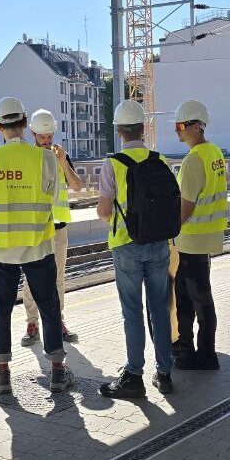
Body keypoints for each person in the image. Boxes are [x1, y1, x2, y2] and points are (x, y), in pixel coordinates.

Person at [0, 97, 74, 394]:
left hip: (2, 248)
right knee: (49, 304)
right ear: (24, 124)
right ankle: (57, 371)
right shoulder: (44, 158)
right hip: (37, 245)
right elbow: (52, 194)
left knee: (2, 308)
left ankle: (3, 374)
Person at [97, 100, 175, 398]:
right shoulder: (160, 160)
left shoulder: (112, 164)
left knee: (132, 311)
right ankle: (164, 373)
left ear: (119, 130)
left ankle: (134, 375)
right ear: (144, 128)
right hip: (159, 243)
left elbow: (104, 211)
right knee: (160, 309)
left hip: (126, 245)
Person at [170, 100, 227, 370]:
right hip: (206, 237)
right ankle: (190, 348)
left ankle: (204, 354)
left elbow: (187, 205)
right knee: (191, 296)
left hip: (192, 239)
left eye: (181, 126)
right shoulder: (214, 152)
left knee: (196, 299)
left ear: (197, 126)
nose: (177, 131)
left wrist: (170, 229)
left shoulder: (193, 159)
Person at [20, 109, 82, 347]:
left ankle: (57, 321)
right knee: (31, 279)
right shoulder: (27, 158)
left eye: (50, 136)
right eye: (42, 137)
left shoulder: (60, 157)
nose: (47, 141)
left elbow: (76, 186)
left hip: (57, 227)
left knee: (58, 279)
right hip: (35, 228)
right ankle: (32, 322)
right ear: (33, 134)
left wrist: (63, 162)